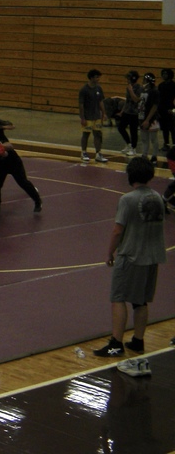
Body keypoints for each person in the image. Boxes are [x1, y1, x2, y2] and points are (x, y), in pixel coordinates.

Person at [92, 157, 166, 358]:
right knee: (140, 301)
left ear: (130, 175)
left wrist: (109, 252)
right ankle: (138, 341)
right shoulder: (158, 197)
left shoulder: (127, 199)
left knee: (118, 297)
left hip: (131, 255)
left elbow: (118, 229)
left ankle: (116, 343)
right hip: (152, 256)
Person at [79, 69, 109, 163]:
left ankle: (98, 154)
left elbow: (101, 102)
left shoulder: (99, 88)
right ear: (91, 78)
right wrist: (82, 118)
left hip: (97, 116)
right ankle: (83, 152)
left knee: (98, 134)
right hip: (88, 116)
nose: (98, 79)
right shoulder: (84, 90)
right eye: (97, 77)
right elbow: (81, 105)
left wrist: (104, 114)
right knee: (86, 134)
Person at [117, 70, 142, 156]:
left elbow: (136, 100)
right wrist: (122, 111)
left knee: (133, 131)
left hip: (134, 113)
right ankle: (128, 144)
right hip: (127, 111)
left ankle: (133, 148)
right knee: (121, 127)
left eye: (128, 78)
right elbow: (127, 100)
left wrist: (131, 90)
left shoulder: (139, 88)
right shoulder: (128, 87)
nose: (127, 80)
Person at [137, 72, 160, 162]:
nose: (143, 81)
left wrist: (148, 120)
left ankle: (154, 156)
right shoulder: (143, 90)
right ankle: (144, 154)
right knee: (144, 138)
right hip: (142, 116)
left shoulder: (155, 91)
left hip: (152, 118)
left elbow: (155, 106)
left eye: (145, 80)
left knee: (153, 138)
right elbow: (138, 101)